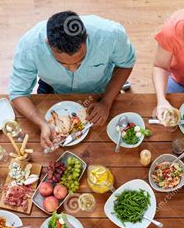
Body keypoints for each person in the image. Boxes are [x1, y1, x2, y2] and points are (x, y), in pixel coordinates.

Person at [9, 10, 136, 149]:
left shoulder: (112, 35)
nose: (73, 69)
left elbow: (126, 64)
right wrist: (42, 124)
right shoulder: (29, 47)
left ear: (86, 37)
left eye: (80, 62)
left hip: (102, 88)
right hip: (53, 88)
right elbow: (18, 94)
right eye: (63, 64)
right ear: (48, 44)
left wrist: (106, 101)